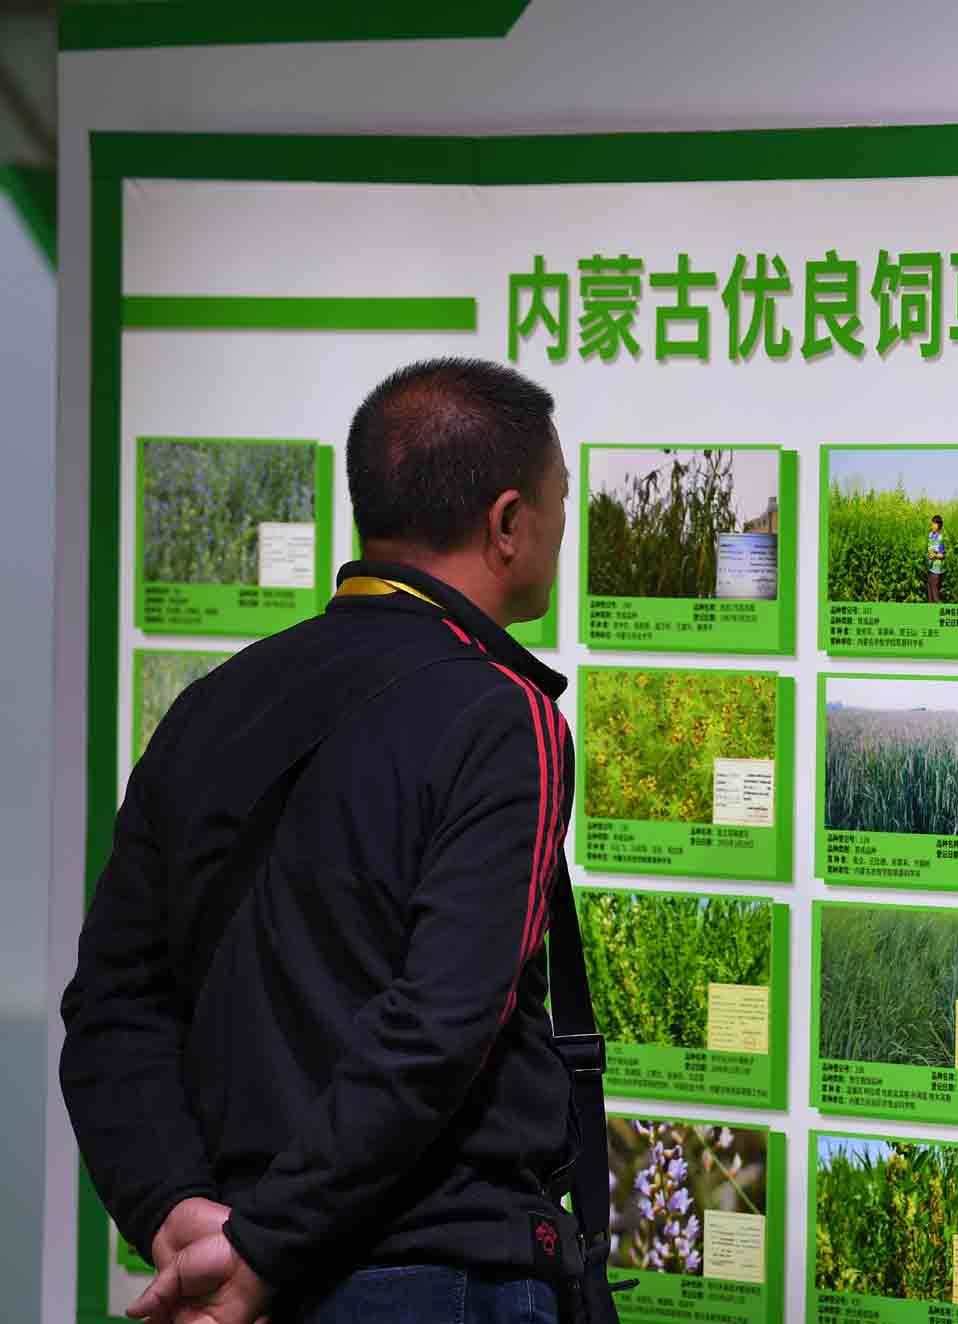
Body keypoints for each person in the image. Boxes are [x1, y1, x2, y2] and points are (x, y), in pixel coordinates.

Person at [61, 358, 585, 1324]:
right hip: (431, 1272)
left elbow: (112, 1005)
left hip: (233, 1262)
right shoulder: (502, 715)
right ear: (508, 522)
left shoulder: (210, 706)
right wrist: (261, 1248)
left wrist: (176, 1210)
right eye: (560, 498)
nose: (564, 523)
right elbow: (440, 1025)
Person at [925, 513, 946, 603]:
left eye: (935, 524)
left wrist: (935, 555)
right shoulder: (930, 535)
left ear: (939, 525)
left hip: (936, 569)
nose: (933, 525)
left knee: (935, 595)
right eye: (932, 523)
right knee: (929, 594)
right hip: (929, 567)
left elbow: (943, 555)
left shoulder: (941, 538)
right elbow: (929, 548)